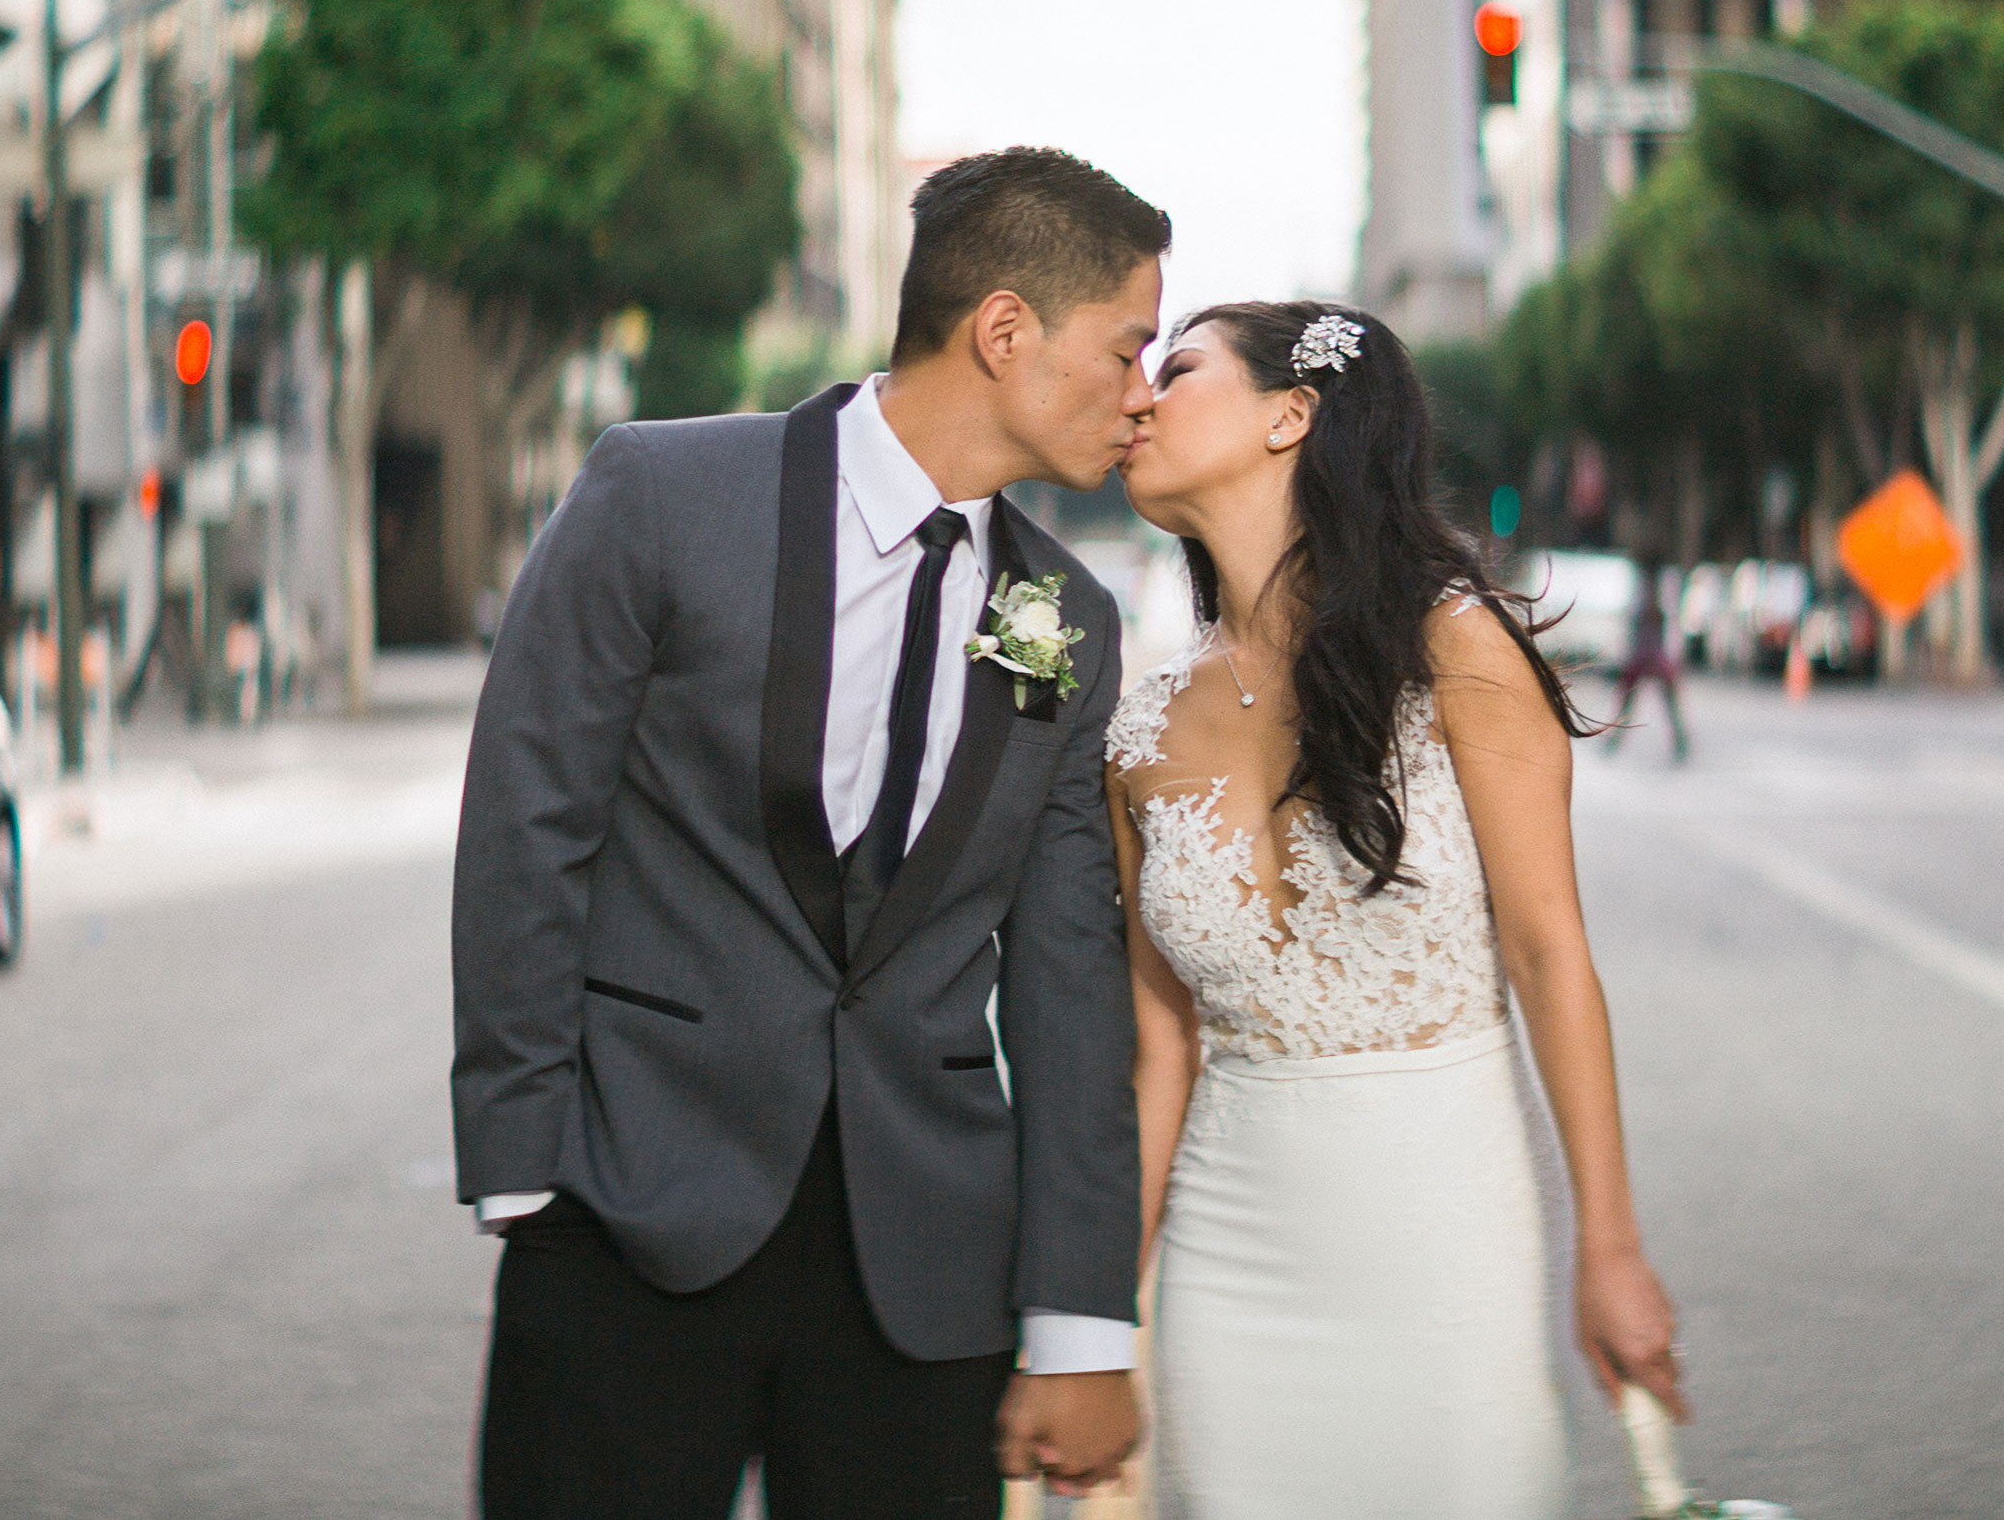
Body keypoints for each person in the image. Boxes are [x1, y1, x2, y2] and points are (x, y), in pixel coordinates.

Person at [451, 147, 1166, 1519]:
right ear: (1004, 330)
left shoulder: (1069, 616)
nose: (1144, 389)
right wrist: (523, 1171)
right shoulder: (660, 496)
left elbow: (1071, 973)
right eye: (1127, 345)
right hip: (627, 1215)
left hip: (921, 1278)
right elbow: (527, 823)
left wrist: (1080, 1319)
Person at [1111, 300, 1685, 1517]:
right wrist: (1095, 1316)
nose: (1138, 400)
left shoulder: (1457, 651)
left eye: (1179, 370)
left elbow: (1547, 955)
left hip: (1442, 1231)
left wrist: (1611, 1244)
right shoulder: (1140, 728)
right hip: (1228, 1259)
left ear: (1290, 416)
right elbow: (1156, 1048)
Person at [1609, 564, 1691, 762]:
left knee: (1640, 703)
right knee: (1662, 704)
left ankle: (1680, 743)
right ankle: (1680, 743)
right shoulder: (1653, 594)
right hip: (1650, 655)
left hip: (1649, 655)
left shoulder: (1653, 596)